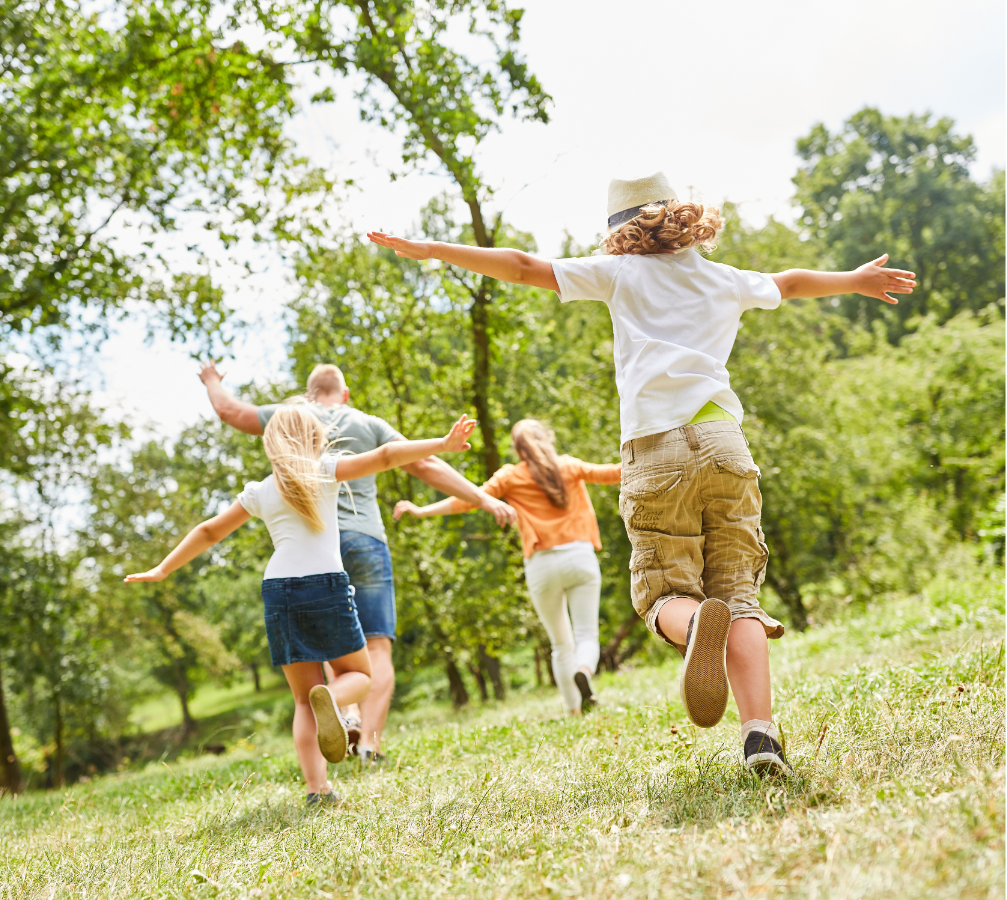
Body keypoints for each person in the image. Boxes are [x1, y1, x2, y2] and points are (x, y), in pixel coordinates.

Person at [367, 172, 915, 775]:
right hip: (724, 443)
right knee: (740, 596)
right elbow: (788, 282)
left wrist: (436, 250)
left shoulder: (620, 274)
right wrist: (857, 280)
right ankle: (761, 737)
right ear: (681, 216)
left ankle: (693, 623)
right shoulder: (720, 276)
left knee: (661, 592)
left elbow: (523, 265)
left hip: (655, 450)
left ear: (621, 232)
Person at [125, 403, 479, 804]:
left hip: (278, 590)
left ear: (271, 443)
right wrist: (443, 443)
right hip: (325, 584)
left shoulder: (259, 490)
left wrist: (163, 568)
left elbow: (209, 531)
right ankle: (333, 698)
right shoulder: (325, 470)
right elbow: (384, 456)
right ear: (315, 439)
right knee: (360, 677)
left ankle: (317, 789)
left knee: (301, 699)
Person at [198, 361, 515, 764]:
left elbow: (230, 412)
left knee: (335, 647)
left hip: (312, 553)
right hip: (365, 541)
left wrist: (211, 380)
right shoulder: (367, 422)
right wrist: (482, 497)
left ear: (309, 394)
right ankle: (370, 744)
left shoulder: (289, 417)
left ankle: (345, 715)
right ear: (344, 394)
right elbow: (421, 463)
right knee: (376, 649)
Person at [394, 419, 621, 716]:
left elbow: (470, 499)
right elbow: (616, 473)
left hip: (541, 566)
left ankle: (572, 711)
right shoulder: (570, 466)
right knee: (586, 636)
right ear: (547, 439)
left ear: (517, 449)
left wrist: (423, 510)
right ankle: (584, 671)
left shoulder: (511, 476)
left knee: (560, 643)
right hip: (579, 557)